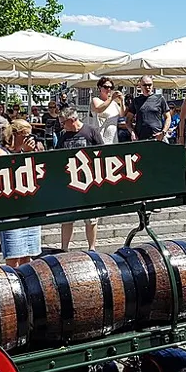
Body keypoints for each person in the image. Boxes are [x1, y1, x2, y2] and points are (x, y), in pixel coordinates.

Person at [0, 120, 42, 266]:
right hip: (10, 208)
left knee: (28, 256)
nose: (30, 138)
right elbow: (8, 172)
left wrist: (31, 153)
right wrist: (23, 153)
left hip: (28, 205)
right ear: (17, 134)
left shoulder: (30, 150)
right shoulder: (0, 151)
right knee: (13, 256)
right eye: (26, 135)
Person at [55, 108, 103, 251]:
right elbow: (57, 156)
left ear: (72, 120)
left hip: (89, 181)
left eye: (63, 123)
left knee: (91, 219)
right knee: (67, 218)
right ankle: (64, 248)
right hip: (70, 182)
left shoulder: (91, 131)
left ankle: (92, 248)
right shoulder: (64, 136)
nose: (62, 126)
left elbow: (102, 153)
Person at [125, 76, 170, 142]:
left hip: (157, 137)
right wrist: (132, 132)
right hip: (140, 138)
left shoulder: (160, 98)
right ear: (140, 86)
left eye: (149, 85)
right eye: (145, 85)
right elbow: (128, 120)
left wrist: (163, 132)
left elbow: (168, 117)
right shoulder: (136, 101)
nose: (147, 87)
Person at [90, 76, 125, 145]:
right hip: (100, 137)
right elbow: (99, 109)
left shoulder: (114, 103)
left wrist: (122, 101)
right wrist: (111, 98)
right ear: (100, 87)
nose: (108, 89)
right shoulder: (95, 100)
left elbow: (122, 114)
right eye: (106, 87)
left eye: (111, 88)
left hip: (113, 137)